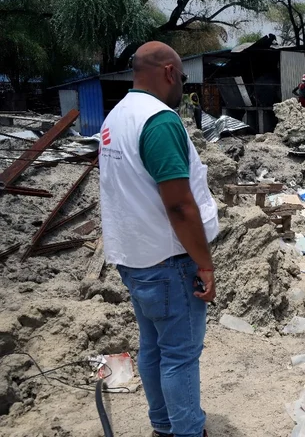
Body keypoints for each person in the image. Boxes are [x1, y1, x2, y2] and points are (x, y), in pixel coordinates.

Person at [99, 41, 218, 437]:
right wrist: (205, 263)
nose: (182, 85)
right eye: (182, 77)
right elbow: (180, 205)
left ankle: (164, 426)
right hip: (168, 262)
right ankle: (186, 431)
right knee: (180, 355)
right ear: (169, 72)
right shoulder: (160, 120)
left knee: (153, 347)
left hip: (134, 257)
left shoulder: (117, 116)